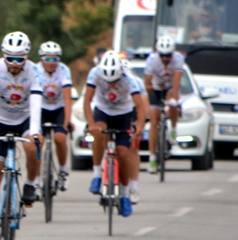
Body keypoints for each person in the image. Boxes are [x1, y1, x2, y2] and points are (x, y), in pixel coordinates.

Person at [0, 31, 42, 240]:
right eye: (10, 58)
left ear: (26, 56)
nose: (15, 64)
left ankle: (30, 184)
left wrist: (34, 132)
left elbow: (36, 104)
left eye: (20, 59)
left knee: (32, 146)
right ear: (3, 55)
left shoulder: (35, 71)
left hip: (25, 119)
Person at [84, 51, 145, 217]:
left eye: (114, 81)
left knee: (123, 153)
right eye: (107, 81)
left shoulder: (129, 79)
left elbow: (140, 107)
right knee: (99, 132)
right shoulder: (95, 73)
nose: (111, 84)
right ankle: (97, 175)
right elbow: (87, 100)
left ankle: (125, 195)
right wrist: (91, 124)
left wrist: (139, 126)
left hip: (123, 114)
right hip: (103, 111)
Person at [143, 33, 185, 177]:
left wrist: (172, 95)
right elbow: (147, 84)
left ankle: (173, 129)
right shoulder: (151, 61)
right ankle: (152, 158)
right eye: (162, 55)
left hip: (170, 86)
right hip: (155, 87)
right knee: (154, 121)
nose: (166, 59)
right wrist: (154, 89)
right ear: (158, 53)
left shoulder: (178, 59)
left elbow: (177, 82)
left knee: (174, 103)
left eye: (168, 55)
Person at [35, 41, 73, 191]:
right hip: (41, 108)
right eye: (47, 59)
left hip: (59, 108)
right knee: (37, 141)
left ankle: (63, 170)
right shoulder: (36, 70)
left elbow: (68, 98)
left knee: (60, 138)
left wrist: (67, 121)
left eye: (55, 59)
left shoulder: (64, 70)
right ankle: (36, 179)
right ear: (41, 59)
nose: (51, 63)